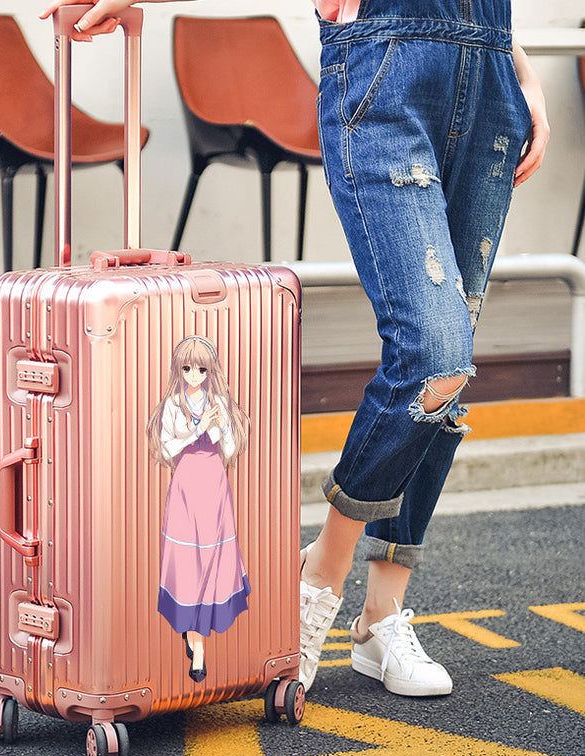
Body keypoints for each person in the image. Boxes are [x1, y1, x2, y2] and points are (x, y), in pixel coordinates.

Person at [41, 0, 549, 697]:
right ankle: (320, 576)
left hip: (493, 79)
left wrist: (524, 74)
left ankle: (382, 615)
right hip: (386, 74)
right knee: (436, 356)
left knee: (449, 371)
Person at [146, 336, 250, 683]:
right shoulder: (172, 405)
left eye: (201, 369)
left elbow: (231, 450)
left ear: (210, 371)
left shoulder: (218, 401)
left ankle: (195, 636)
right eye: (187, 368)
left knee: (213, 559)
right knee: (188, 561)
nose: (194, 375)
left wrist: (219, 428)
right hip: (186, 484)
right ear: (178, 370)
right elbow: (165, 448)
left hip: (214, 483)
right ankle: (198, 649)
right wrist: (198, 429)